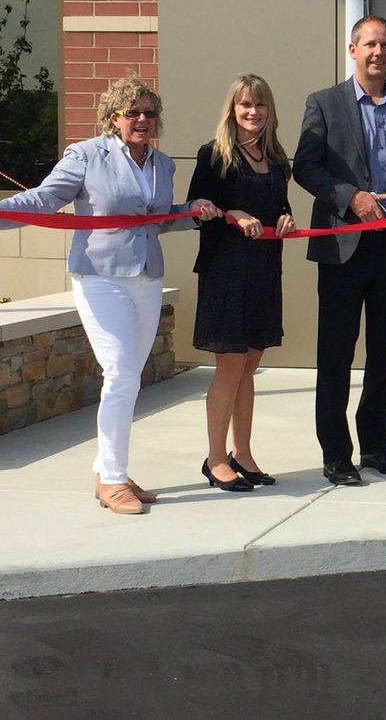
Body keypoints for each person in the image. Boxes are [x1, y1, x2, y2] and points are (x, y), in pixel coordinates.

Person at [0, 75, 221, 514]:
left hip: (146, 276)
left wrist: (194, 214)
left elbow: (153, 220)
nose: (142, 119)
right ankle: (113, 481)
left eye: (149, 113)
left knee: (129, 378)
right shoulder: (85, 155)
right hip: (99, 276)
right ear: (113, 116)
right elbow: (44, 201)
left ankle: (109, 468)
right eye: (132, 112)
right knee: (120, 373)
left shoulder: (162, 164)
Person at [293, 15, 386, 487]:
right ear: (353, 50)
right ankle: (337, 453)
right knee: (335, 354)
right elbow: (305, 167)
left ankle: (376, 444)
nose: (378, 52)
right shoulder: (324, 103)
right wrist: (349, 197)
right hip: (342, 247)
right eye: (370, 44)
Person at [187, 74, 296, 492]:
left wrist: (285, 218)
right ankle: (215, 459)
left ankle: (243, 453)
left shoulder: (276, 159)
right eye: (245, 105)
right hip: (227, 272)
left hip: (265, 269)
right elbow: (199, 207)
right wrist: (232, 211)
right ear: (232, 109)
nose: (253, 112)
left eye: (260, 105)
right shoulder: (213, 155)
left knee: (250, 363)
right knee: (230, 365)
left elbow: (279, 205)